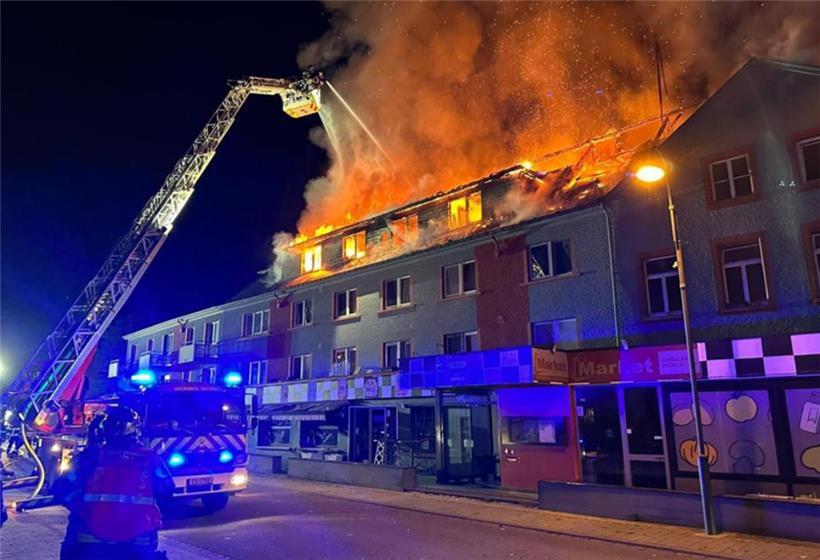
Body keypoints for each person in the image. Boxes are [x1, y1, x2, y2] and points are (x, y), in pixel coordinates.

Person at [52, 406, 173, 560]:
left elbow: (60, 489)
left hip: (90, 539)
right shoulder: (150, 459)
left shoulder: (90, 457)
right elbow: (167, 489)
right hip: (138, 540)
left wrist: (80, 506)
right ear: (135, 430)